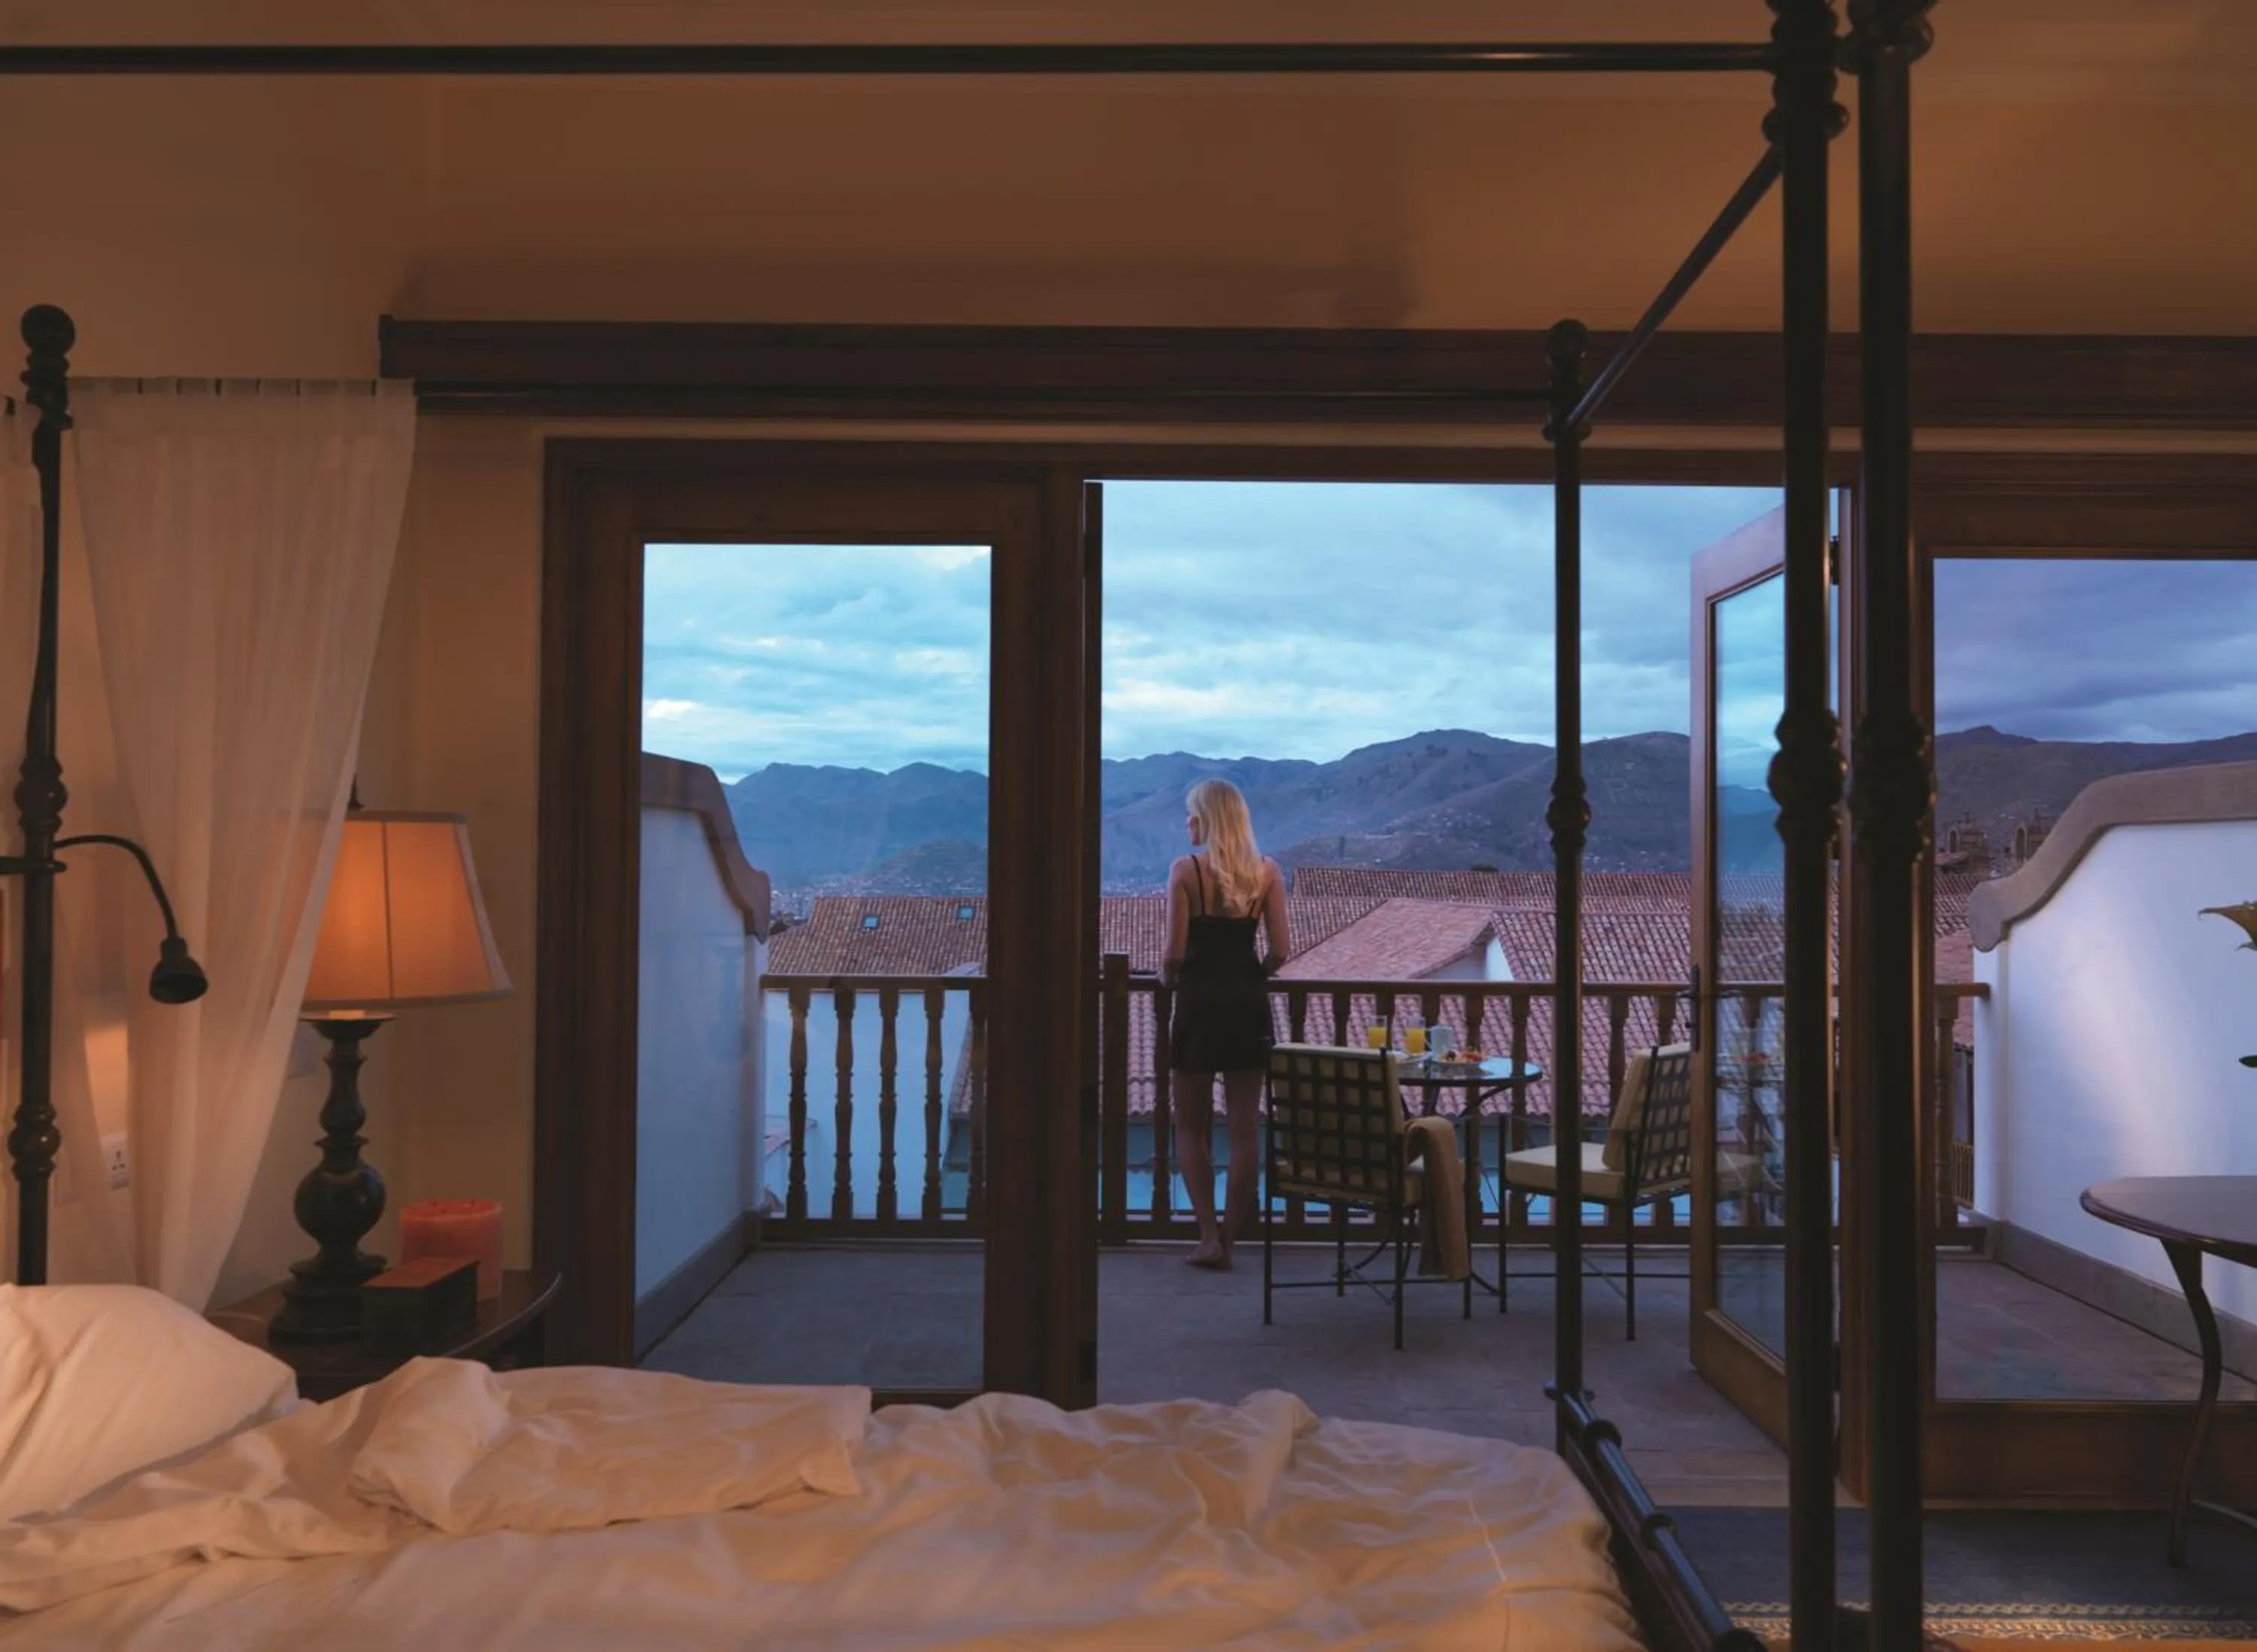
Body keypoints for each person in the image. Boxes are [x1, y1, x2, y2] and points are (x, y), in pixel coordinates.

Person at [1163, 777, 1290, 1269]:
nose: (1186, 823)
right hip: (1246, 1004)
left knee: (1191, 1128)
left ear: (1208, 820)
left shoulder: (1186, 872)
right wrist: (1253, 975)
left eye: (1191, 814)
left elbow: (1173, 954)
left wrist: (1166, 977)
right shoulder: (1267, 873)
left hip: (1197, 1005)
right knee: (1243, 1132)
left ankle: (1208, 1236)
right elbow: (1279, 950)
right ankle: (1232, 1240)